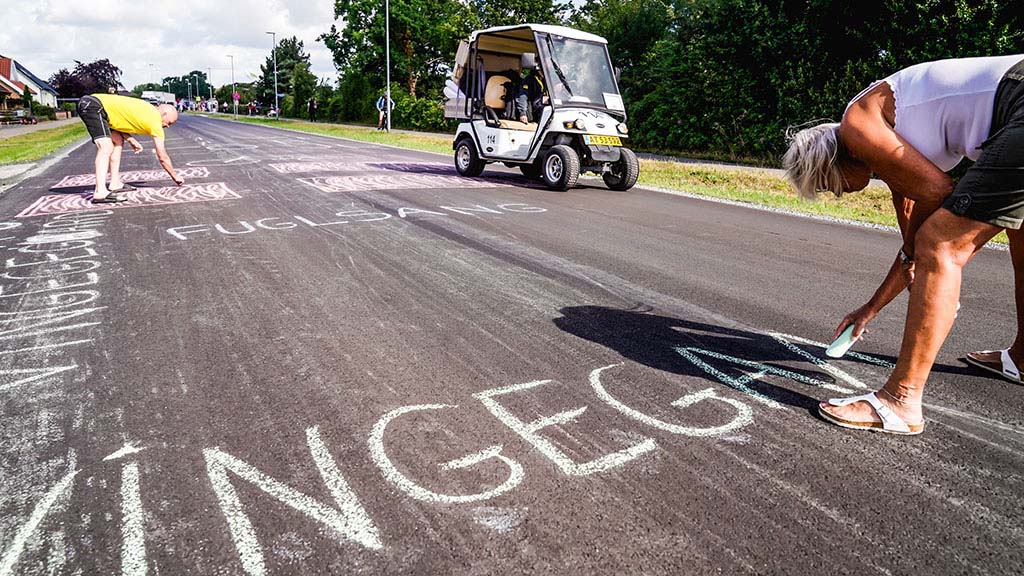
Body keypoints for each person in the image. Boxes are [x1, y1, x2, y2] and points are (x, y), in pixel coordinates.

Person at [783, 54, 1024, 435]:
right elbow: (909, 249)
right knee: (1019, 234)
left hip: (1019, 98)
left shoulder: (857, 125)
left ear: (830, 163)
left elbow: (938, 200)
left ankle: (901, 399)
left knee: (941, 246)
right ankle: (1023, 358)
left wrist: (919, 255)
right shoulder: (886, 140)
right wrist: (870, 309)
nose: (839, 194)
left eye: (829, 185)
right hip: (1015, 103)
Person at [75, 93, 183, 203]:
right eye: (169, 122)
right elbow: (162, 157)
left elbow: (122, 119)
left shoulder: (147, 109)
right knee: (105, 146)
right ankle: (100, 192)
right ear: (164, 114)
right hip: (94, 106)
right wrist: (175, 176)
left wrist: (130, 139)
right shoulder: (155, 120)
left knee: (117, 140)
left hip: (95, 105)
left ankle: (115, 183)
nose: (168, 126)